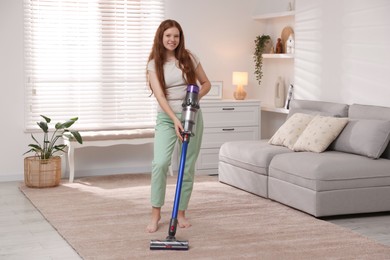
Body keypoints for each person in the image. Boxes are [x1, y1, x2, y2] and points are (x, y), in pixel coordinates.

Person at [146, 19, 211, 233]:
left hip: (191, 116)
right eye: (168, 36)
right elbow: (160, 97)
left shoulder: (189, 58)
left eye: (176, 36)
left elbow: (206, 84)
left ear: (180, 38)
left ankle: (181, 212)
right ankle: (156, 214)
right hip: (167, 118)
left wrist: (193, 99)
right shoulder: (154, 64)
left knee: (187, 164)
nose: (172, 40)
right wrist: (175, 119)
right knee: (161, 164)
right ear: (161, 38)